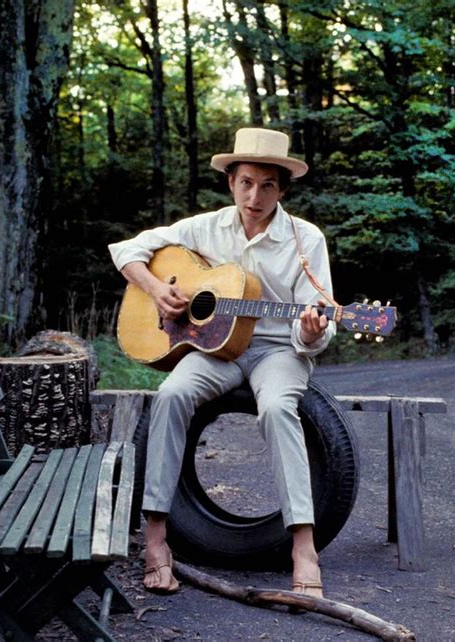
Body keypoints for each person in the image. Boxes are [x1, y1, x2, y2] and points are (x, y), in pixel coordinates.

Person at [109, 128, 336, 598]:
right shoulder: (204, 228)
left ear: (282, 188)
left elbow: (318, 315)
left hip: (278, 349)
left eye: (268, 185)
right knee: (171, 394)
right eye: (246, 182)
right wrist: (157, 290)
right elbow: (125, 250)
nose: (256, 196)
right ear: (230, 182)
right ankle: (156, 541)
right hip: (216, 351)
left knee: (276, 409)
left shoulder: (305, 239)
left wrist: (312, 331)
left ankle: (303, 546)